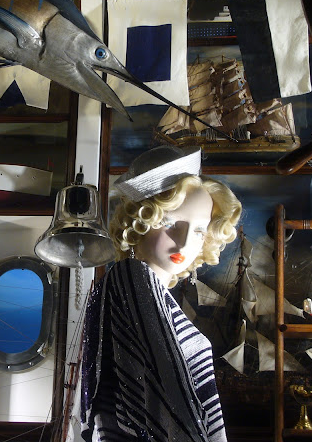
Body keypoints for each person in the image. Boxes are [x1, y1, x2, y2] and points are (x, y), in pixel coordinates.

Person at [80, 146, 242, 442]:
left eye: (199, 231)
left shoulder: (145, 289)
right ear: (140, 222)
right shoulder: (132, 279)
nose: (184, 242)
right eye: (170, 224)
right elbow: (168, 397)